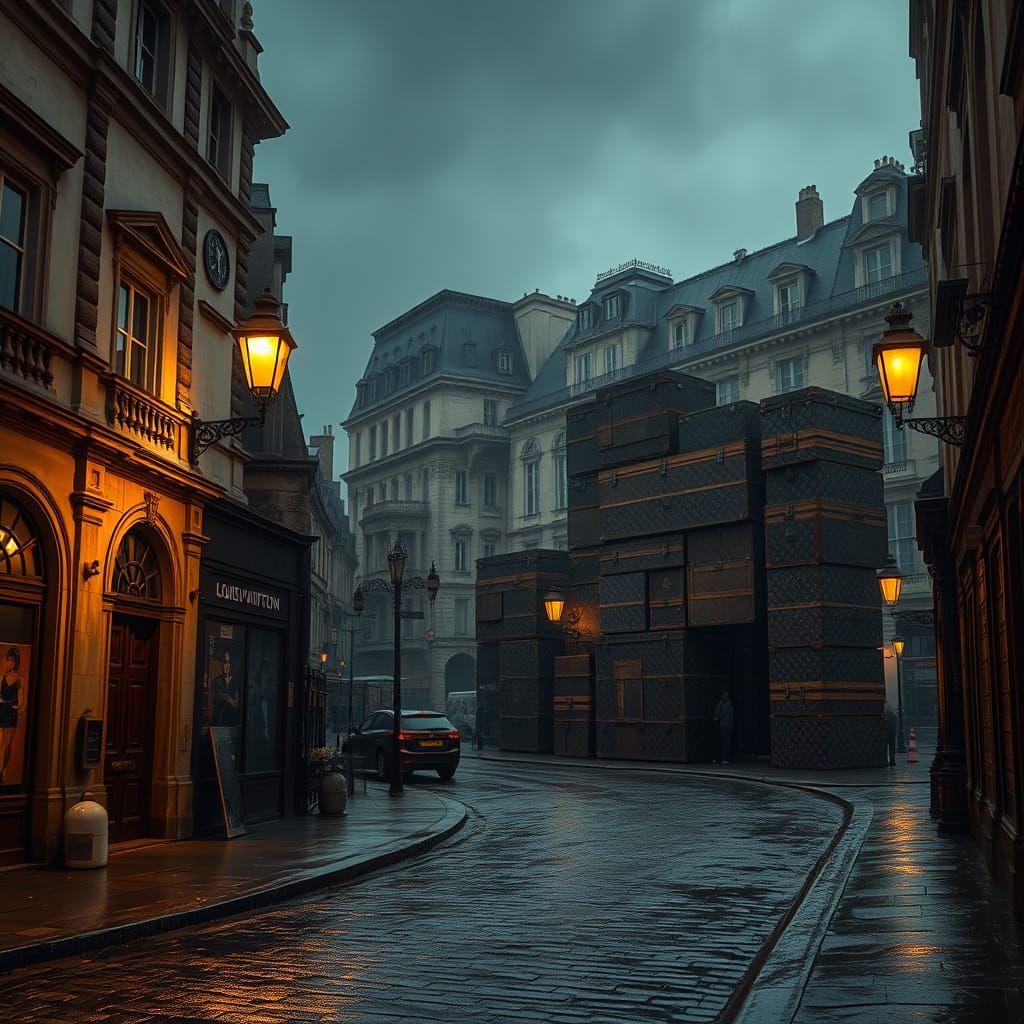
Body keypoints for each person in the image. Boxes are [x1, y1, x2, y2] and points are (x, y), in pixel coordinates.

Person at [0, 646, 22, 784]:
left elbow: (23, 700)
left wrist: (18, 709)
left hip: (11, 712)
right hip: (2, 709)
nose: (10, 663)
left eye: (12, 660)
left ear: (16, 662)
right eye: (8, 660)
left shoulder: (20, 679)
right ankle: (1, 771)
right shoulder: (2, 677)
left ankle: (2, 772)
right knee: (3, 742)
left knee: (7, 743)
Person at [212, 650, 240, 727]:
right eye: (224, 662)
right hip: (219, 720)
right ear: (221, 663)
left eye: (228, 662)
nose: (226, 666)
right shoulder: (217, 680)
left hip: (231, 720)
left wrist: (228, 699)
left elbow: (237, 704)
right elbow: (213, 701)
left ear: (231, 664)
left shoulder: (236, 681)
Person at [713, 691, 734, 764]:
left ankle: (724, 757)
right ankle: (723, 758)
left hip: (725, 725)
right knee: (725, 741)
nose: (725, 697)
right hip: (725, 725)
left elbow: (718, 714)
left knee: (725, 741)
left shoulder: (723, 703)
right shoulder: (727, 704)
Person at [884, 702, 899, 766]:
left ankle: (885, 760)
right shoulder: (894, 716)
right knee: (892, 747)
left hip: (886, 733)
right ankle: (892, 761)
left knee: (885, 748)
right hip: (893, 733)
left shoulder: (885, 716)